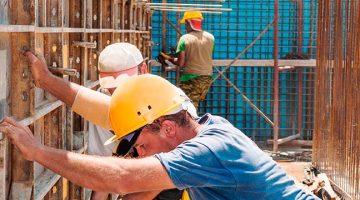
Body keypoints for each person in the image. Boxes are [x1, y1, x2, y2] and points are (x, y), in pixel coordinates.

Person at [1, 58, 318, 199]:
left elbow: (122, 178)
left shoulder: (206, 151)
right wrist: (46, 81)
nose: (137, 153)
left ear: (167, 128)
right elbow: (112, 113)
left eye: (140, 146)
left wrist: (38, 151)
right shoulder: (199, 124)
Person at [88, 42, 144, 199]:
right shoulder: (104, 102)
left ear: (144, 70)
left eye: (123, 83)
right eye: (112, 85)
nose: (117, 91)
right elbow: (104, 172)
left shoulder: (167, 97)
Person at [167, 11, 214, 110]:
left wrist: (169, 58)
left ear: (189, 22)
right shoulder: (210, 37)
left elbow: (181, 63)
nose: (185, 27)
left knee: (187, 108)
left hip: (191, 79)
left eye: (186, 24)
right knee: (193, 106)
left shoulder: (184, 39)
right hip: (207, 79)